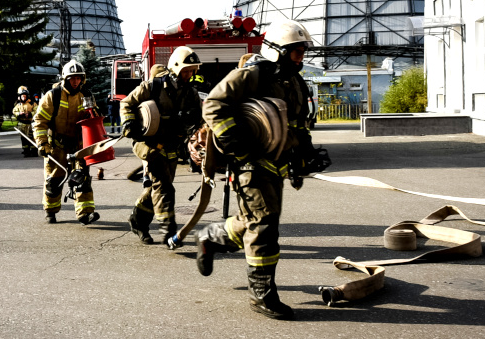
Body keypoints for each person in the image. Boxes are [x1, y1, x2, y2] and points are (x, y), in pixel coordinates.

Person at [196, 19, 329, 320]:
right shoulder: (252, 74)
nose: (301, 58)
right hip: (250, 162)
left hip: (276, 162)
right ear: (278, 51)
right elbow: (213, 105)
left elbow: (297, 123)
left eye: (302, 52)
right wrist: (237, 143)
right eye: (296, 52)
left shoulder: (293, 80)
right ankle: (261, 294)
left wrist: (304, 153)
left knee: (255, 220)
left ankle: (211, 237)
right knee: (264, 225)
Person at [120, 46, 202, 245]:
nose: (189, 75)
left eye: (192, 71)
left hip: (172, 145)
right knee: (164, 186)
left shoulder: (191, 93)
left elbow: (199, 118)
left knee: (157, 187)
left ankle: (138, 221)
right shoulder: (152, 87)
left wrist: (193, 120)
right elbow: (127, 104)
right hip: (149, 145)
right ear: (176, 67)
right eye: (186, 70)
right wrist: (129, 123)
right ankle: (168, 229)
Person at [33, 59, 99, 225]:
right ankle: (51, 211)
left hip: (79, 145)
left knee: (82, 179)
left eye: (78, 78)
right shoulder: (53, 96)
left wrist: (93, 115)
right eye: (72, 78)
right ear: (65, 78)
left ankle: (85, 214)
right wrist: (42, 143)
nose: (75, 82)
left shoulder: (86, 95)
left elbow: (94, 120)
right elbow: (40, 121)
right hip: (57, 146)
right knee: (54, 181)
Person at [13, 85, 37, 157]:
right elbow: (14, 111)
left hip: (30, 124)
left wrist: (30, 114)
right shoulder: (18, 104)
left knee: (32, 137)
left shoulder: (32, 103)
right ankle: (26, 151)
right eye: (22, 96)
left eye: (25, 96)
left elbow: (37, 111)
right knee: (24, 138)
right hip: (22, 124)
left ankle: (34, 151)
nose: (23, 98)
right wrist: (19, 114)